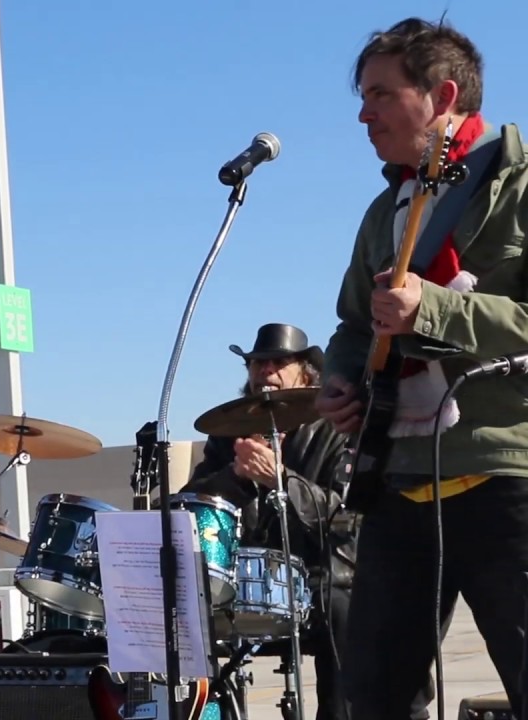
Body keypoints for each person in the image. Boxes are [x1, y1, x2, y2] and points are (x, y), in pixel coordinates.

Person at [315, 16, 528, 719]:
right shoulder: (388, 207)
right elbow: (353, 323)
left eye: (380, 93)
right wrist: (341, 381)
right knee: (374, 698)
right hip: (398, 482)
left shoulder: (520, 189)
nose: (363, 112)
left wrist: (433, 312)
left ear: (440, 95)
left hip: (507, 479)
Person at [184, 323, 361, 720]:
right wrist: (237, 477)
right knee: (183, 608)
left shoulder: (336, 430)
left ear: (305, 372)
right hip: (244, 578)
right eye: (257, 364)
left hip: (320, 576)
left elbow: (346, 518)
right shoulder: (228, 431)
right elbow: (192, 503)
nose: (266, 371)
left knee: (343, 607)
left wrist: (282, 480)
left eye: (279, 362)